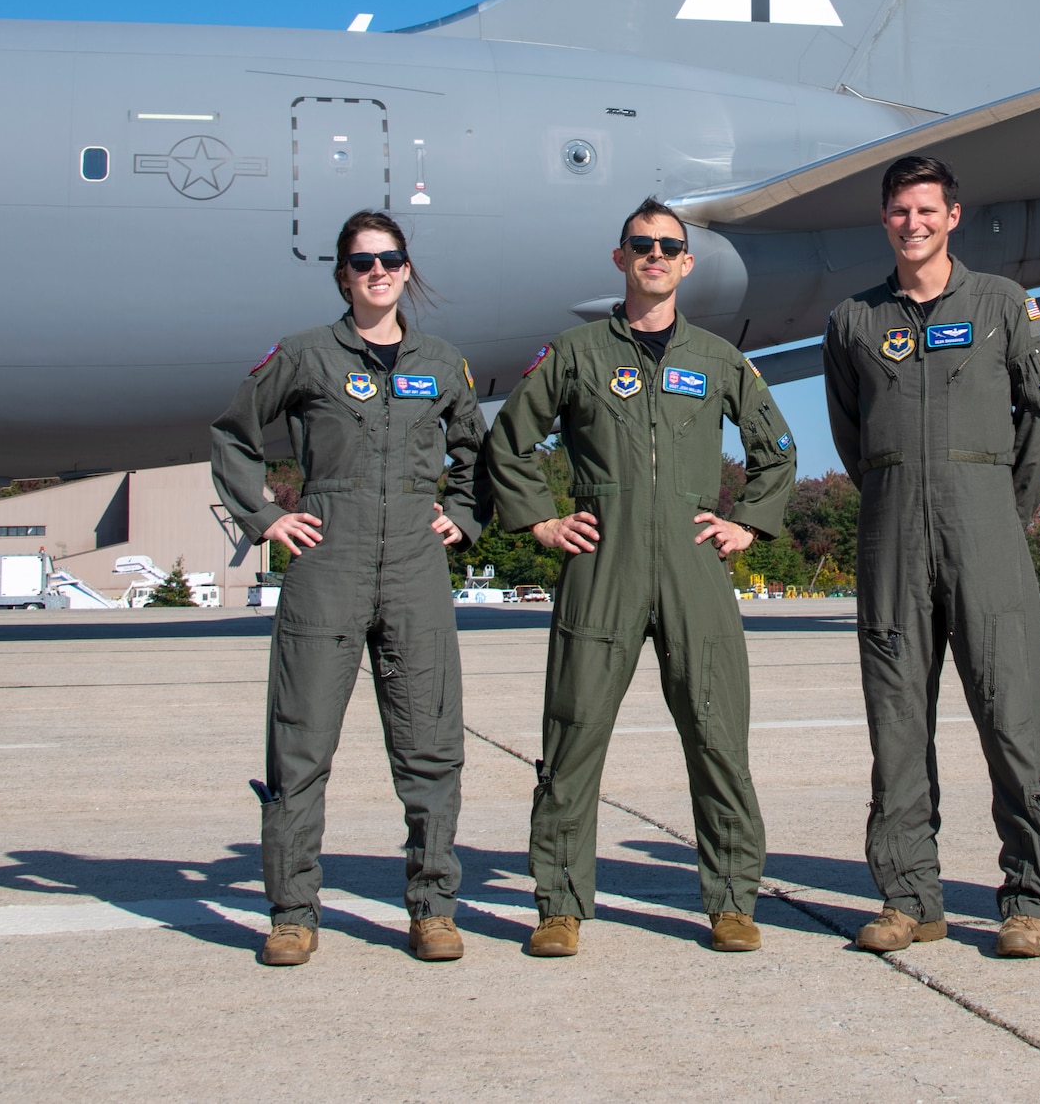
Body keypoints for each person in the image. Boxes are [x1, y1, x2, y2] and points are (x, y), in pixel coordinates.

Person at [487, 198, 797, 957]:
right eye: (641, 244)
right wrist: (542, 521)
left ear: (686, 264)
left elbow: (777, 450)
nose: (655, 254)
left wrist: (748, 522)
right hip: (602, 562)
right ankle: (560, 902)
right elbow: (508, 441)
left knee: (718, 734)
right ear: (620, 258)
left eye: (668, 245)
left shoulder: (719, 358)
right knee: (573, 732)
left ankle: (731, 900)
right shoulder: (575, 352)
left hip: (696, 564)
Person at [212, 210, 485, 966]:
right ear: (342, 273)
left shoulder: (441, 361)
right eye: (362, 261)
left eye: (390, 259)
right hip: (327, 564)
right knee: (299, 747)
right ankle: (293, 913)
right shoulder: (303, 356)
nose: (377, 271)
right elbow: (233, 433)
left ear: (406, 268)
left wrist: (462, 514)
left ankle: (432, 908)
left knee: (431, 747)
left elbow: (475, 452)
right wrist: (267, 516)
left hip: (415, 570)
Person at [822, 155, 1040, 959]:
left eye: (928, 209)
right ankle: (908, 896)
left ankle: (1026, 899)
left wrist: (1003, 509)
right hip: (893, 534)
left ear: (952, 216)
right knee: (896, 724)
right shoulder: (854, 320)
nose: (913, 222)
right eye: (900, 211)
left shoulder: (1002, 305)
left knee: (1011, 718)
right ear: (884, 219)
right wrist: (899, 496)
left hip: (986, 531)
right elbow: (853, 437)